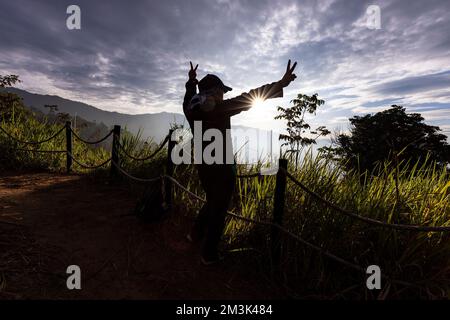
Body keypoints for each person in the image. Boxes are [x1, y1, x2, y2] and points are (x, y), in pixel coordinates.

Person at [182, 60, 298, 265]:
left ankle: (195, 234)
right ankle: (208, 255)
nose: (223, 95)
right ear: (213, 92)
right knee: (219, 209)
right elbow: (250, 97)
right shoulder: (221, 109)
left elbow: (189, 95)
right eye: (221, 91)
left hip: (202, 164)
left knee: (212, 201)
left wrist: (192, 80)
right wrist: (280, 84)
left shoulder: (190, 108)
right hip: (222, 169)